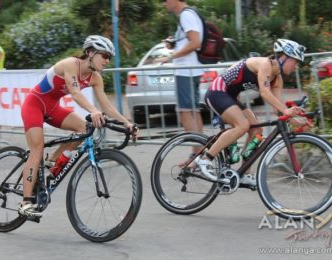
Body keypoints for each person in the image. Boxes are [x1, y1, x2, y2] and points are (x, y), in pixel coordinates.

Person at [19, 35, 136, 218]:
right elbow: (74, 92)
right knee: (37, 150)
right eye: (103, 56)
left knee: (84, 129)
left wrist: (127, 123)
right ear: (90, 53)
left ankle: (53, 160)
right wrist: (93, 110)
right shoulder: (71, 64)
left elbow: (107, 106)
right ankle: (25, 203)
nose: (106, 61)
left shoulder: (96, 77)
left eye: (109, 58)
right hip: (34, 104)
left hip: (53, 107)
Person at [195, 39, 307, 189]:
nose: (296, 66)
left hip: (231, 97)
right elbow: (265, 93)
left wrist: (296, 120)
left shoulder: (277, 79)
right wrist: (287, 110)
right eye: (295, 61)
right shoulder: (265, 64)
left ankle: (243, 175)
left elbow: (277, 109)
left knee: (256, 130)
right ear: (283, 57)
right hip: (217, 92)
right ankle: (205, 159)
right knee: (242, 125)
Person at [156, 0, 204, 147]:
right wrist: (174, 43)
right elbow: (189, 40)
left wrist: (171, 56)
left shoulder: (186, 15)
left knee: (185, 113)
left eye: (166, 0)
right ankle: (201, 154)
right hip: (191, 69)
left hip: (186, 71)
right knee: (193, 111)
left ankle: (197, 155)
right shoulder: (189, 14)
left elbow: (195, 42)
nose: (165, 4)